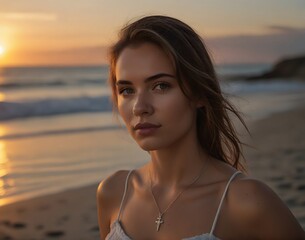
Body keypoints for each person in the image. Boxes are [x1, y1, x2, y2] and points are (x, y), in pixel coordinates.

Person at [97, 15, 305, 240]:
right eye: (127, 90)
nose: (139, 107)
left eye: (160, 86)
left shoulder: (245, 201)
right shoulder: (113, 192)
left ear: (199, 94)